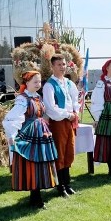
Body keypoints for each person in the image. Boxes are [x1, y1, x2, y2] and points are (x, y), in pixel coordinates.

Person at [3, 71, 58, 208]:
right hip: (30, 134)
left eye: (39, 82)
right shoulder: (23, 99)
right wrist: (12, 135)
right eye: (35, 82)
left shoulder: (37, 97)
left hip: (41, 132)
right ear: (26, 83)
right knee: (33, 163)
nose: (38, 84)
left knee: (41, 163)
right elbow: (11, 118)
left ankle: (37, 195)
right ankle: (35, 197)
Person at [42, 54, 81, 197]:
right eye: (58, 65)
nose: (62, 67)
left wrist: (75, 112)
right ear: (52, 67)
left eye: (64, 64)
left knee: (69, 151)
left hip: (69, 120)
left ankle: (67, 183)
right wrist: (67, 114)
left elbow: (75, 100)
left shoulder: (69, 83)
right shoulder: (49, 85)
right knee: (60, 153)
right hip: (58, 122)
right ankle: (60, 186)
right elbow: (51, 108)